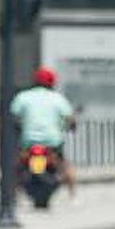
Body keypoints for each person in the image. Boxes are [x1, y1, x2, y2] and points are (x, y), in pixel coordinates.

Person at [10, 65, 77, 196]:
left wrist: (18, 127)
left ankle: (14, 195)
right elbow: (70, 118)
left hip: (28, 141)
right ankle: (72, 196)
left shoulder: (23, 96)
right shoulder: (58, 98)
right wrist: (72, 126)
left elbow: (14, 115)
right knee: (64, 166)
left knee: (17, 167)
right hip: (51, 141)